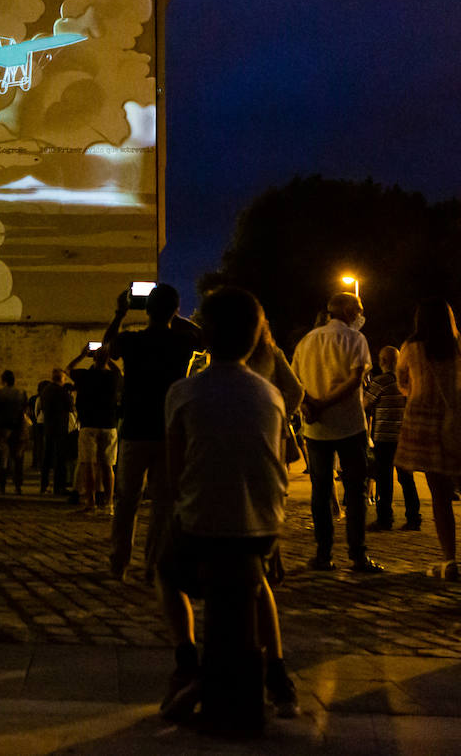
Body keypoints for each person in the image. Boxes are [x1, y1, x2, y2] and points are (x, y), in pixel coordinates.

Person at [157, 287, 288, 736]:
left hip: (204, 528)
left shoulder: (183, 392)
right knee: (259, 581)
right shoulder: (271, 395)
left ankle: (187, 658)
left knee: (167, 571)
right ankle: (278, 668)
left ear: (204, 336)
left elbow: (176, 476)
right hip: (264, 525)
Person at [104, 284, 202, 583]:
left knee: (127, 501)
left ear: (146, 310)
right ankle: (153, 565)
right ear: (174, 310)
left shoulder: (133, 341)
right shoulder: (182, 341)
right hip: (169, 429)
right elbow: (203, 336)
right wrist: (176, 315)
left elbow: (108, 345)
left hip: (135, 428)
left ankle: (119, 563)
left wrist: (121, 312)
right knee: (164, 502)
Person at [394, 298, 461, 582]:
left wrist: (418, 391)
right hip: (460, 423)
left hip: (424, 424)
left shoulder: (411, 348)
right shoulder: (460, 345)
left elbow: (402, 381)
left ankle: (449, 561)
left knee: (439, 497)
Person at [290, 292, 383, 573]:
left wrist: (310, 404)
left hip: (316, 428)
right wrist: (326, 403)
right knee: (355, 492)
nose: (361, 313)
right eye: (358, 308)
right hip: (348, 425)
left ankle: (323, 554)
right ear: (345, 309)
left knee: (320, 491)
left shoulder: (307, 341)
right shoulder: (356, 339)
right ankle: (357, 554)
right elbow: (356, 379)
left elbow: (295, 382)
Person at [243, 320, 303, 718]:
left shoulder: (198, 382)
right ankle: (275, 668)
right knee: (266, 503)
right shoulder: (272, 352)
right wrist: (278, 409)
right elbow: (296, 392)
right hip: (269, 437)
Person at [363, 346, 421, 531]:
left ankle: (385, 519)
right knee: (407, 478)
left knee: (384, 479)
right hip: (404, 436)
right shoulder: (408, 382)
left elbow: (365, 404)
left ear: (383, 362)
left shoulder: (381, 382)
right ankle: (413, 518)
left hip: (384, 437)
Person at [66, 344, 121, 514]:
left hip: (89, 424)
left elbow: (69, 369)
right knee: (108, 466)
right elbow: (119, 372)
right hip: (109, 424)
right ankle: (109, 504)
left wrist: (83, 355)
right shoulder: (113, 377)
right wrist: (108, 357)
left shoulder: (85, 375)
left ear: (94, 359)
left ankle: (91, 503)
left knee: (88, 465)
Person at [0, 370, 28, 493]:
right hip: (18, 428)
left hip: (2, 428)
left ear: (3, 380)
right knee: (18, 458)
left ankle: (2, 486)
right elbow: (24, 409)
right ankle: (18, 486)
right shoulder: (21, 393)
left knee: (2, 458)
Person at [39, 367, 73, 495]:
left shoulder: (46, 390)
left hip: (48, 427)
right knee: (60, 459)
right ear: (62, 378)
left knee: (47, 458)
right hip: (60, 428)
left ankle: (44, 485)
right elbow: (70, 407)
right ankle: (59, 487)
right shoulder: (62, 391)